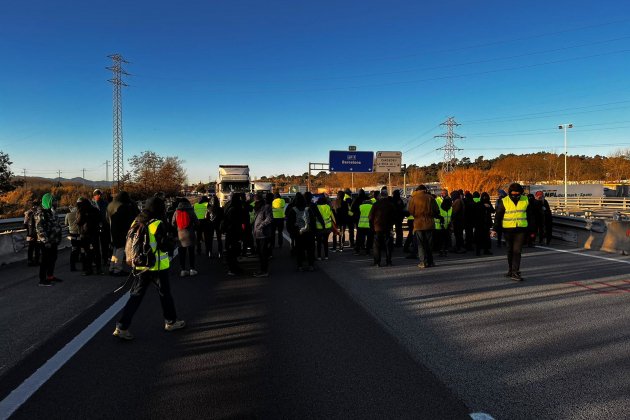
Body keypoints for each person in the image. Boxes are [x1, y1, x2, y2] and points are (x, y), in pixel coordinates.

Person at [113, 197, 185, 340]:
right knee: (165, 294)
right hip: (157, 266)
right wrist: (173, 241)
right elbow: (165, 246)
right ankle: (171, 321)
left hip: (139, 266)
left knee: (135, 296)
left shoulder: (136, 222)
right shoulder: (157, 223)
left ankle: (122, 327)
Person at [493, 182, 536, 281]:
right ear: (510, 193)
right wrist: (495, 229)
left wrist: (532, 230)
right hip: (508, 230)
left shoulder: (526, 200)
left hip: (521, 229)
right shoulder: (504, 201)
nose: (515, 195)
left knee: (517, 251)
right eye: (513, 193)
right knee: (510, 250)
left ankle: (515, 272)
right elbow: (498, 216)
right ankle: (510, 270)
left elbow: (531, 216)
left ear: (520, 193)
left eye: (517, 193)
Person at [408, 185, 441, 269]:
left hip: (418, 224)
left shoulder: (414, 198)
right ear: (425, 190)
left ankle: (423, 262)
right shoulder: (430, 198)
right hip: (429, 223)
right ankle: (430, 261)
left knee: (420, 244)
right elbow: (436, 210)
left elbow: (411, 211)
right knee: (429, 243)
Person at [107, 191, 139, 276]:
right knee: (120, 249)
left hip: (112, 229)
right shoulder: (123, 206)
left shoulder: (110, 204)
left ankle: (112, 267)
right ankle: (118, 269)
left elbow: (107, 218)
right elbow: (129, 220)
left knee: (115, 249)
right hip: (121, 230)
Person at [34, 193, 63, 286]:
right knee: (45, 260)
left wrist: (57, 238)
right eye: (53, 201)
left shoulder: (52, 212)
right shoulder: (41, 213)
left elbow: (57, 225)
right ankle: (42, 280)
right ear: (48, 202)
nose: (55, 203)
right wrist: (45, 241)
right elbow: (39, 229)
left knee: (53, 258)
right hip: (46, 242)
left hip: (53, 241)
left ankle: (50, 276)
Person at [286, 192, 316, 271]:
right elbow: (313, 221)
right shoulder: (308, 209)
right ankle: (311, 265)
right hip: (309, 232)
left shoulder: (293, 210)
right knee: (310, 250)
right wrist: (313, 232)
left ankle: (300, 266)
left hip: (298, 233)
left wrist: (292, 232)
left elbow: (289, 223)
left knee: (299, 250)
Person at [172, 198, 199, 277]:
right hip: (190, 234)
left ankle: (183, 270)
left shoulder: (176, 212)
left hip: (180, 235)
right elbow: (197, 223)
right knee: (191, 253)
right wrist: (193, 228)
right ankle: (192, 269)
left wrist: (178, 228)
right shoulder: (191, 211)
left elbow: (173, 223)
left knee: (182, 254)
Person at [369, 188, 396, 266]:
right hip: (387, 228)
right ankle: (389, 261)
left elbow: (370, 217)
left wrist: (372, 226)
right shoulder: (391, 204)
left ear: (381, 195)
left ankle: (377, 262)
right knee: (388, 245)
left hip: (377, 227)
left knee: (377, 245)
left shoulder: (376, 204)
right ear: (387, 196)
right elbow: (394, 216)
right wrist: (391, 224)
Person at [252, 192, 274, 277]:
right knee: (260, 254)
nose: (254, 201)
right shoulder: (257, 207)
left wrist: (260, 226)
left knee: (263, 253)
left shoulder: (266, 207)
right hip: (257, 234)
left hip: (263, 234)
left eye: (255, 199)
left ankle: (264, 271)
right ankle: (262, 270)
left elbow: (269, 218)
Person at [222, 193, 244, 276]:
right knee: (232, 251)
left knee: (233, 251)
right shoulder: (235, 209)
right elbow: (234, 222)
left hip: (231, 232)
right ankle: (232, 269)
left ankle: (234, 267)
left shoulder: (229, 206)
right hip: (233, 232)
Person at [92, 189, 111, 267]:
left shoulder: (105, 203)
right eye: (98, 194)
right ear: (94, 196)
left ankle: (105, 260)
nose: (99, 196)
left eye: (100, 194)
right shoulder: (92, 204)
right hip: (95, 227)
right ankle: (96, 260)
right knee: (95, 245)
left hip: (105, 226)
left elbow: (108, 214)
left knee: (105, 245)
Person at [315, 195, 334, 260]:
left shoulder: (317, 207)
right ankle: (326, 256)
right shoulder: (328, 207)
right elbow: (330, 215)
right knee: (325, 242)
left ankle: (319, 256)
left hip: (319, 227)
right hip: (327, 227)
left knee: (319, 242)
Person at [354, 191, 373, 256]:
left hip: (361, 225)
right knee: (369, 239)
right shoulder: (372, 206)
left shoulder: (360, 207)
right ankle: (368, 251)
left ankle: (357, 250)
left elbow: (356, 215)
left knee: (359, 238)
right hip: (369, 225)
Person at [65, 201, 81, 271]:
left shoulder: (68, 214)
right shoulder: (79, 214)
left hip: (72, 233)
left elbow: (66, 224)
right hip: (79, 233)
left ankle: (73, 265)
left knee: (74, 248)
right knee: (80, 247)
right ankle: (81, 261)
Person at [24, 199, 41, 266]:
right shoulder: (38, 212)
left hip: (30, 233)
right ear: (37, 205)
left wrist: (29, 230)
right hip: (37, 233)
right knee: (37, 248)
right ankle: (36, 261)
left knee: (30, 248)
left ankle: (29, 261)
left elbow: (25, 224)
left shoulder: (27, 213)